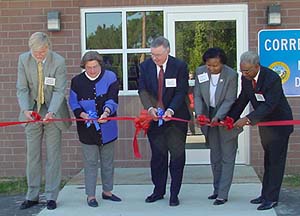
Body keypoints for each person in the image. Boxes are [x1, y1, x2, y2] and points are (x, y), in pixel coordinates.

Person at [229, 51, 294, 210]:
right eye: (242, 71)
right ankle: (265, 194)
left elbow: (269, 105)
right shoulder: (247, 80)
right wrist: (230, 117)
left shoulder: (272, 78)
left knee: (275, 162)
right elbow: (242, 100)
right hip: (265, 124)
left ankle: (271, 198)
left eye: (247, 71)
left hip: (280, 125)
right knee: (268, 161)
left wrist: (247, 119)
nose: (244, 74)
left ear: (257, 66)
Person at [16, 32, 71, 210]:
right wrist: (25, 109)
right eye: (36, 52)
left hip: (52, 111)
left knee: (53, 155)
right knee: (33, 155)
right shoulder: (23, 60)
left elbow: (59, 90)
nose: (40, 55)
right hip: (31, 111)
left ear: (49, 48)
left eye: (43, 51)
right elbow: (22, 88)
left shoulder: (59, 61)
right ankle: (32, 195)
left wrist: (52, 112)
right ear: (30, 49)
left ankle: (51, 196)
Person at [138, 36, 190, 207]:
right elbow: (143, 90)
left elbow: (181, 92)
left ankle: (174, 193)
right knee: (158, 157)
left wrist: (170, 110)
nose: (155, 58)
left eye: (158, 55)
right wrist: (150, 109)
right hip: (154, 119)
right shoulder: (145, 66)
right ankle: (158, 191)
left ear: (167, 51)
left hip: (175, 118)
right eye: (152, 54)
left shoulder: (179, 66)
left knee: (177, 157)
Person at [69, 51, 121, 207]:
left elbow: (113, 98)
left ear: (100, 65)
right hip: (86, 128)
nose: (92, 70)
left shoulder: (110, 77)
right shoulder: (76, 81)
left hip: (108, 127)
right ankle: (90, 195)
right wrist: (83, 114)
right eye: (88, 67)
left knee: (107, 162)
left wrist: (106, 112)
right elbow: (73, 102)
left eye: (95, 66)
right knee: (90, 162)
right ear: (83, 67)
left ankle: (107, 192)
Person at [194, 47, 241, 205]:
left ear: (222, 63)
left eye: (215, 65)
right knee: (215, 156)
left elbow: (229, 100)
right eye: (209, 65)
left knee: (227, 156)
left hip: (226, 116)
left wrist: (218, 117)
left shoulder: (232, 75)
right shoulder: (200, 72)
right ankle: (216, 189)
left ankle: (223, 193)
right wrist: (200, 114)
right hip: (208, 117)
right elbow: (198, 95)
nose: (212, 68)